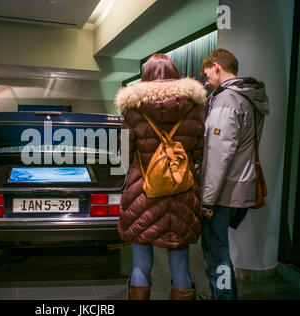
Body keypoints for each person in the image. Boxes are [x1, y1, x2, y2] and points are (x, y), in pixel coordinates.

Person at [116, 54, 206, 300]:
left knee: (140, 264)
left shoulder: (133, 109)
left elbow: (123, 154)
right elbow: (198, 152)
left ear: (146, 74)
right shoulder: (194, 107)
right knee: (181, 264)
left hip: (142, 193)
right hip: (182, 193)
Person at [200, 48, 270, 300]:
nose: (206, 82)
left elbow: (218, 155)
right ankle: (226, 295)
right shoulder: (249, 96)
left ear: (217, 66)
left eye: (207, 74)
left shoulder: (227, 99)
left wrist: (207, 199)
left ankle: (224, 297)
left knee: (216, 252)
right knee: (220, 251)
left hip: (221, 191)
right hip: (239, 184)